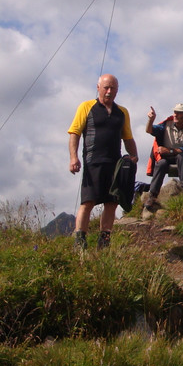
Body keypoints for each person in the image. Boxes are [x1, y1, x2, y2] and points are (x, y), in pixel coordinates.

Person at [67, 74, 138, 250]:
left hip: (115, 164)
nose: (109, 91)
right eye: (106, 87)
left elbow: (128, 137)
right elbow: (75, 133)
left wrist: (134, 156)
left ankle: (104, 240)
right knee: (88, 202)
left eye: (113, 88)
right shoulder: (86, 107)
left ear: (117, 90)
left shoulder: (122, 112)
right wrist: (73, 157)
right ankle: (80, 240)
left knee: (112, 202)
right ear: (98, 87)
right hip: (93, 162)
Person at [144, 102, 183, 204]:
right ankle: (152, 196)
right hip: (165, 157)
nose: (175, 115)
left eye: (179, 112)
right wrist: (151, 120)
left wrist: (169, 150)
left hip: (181, 158)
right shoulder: (165, 125)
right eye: (175, 112)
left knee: (182, 156)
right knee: (161, 163)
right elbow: (149, 130)